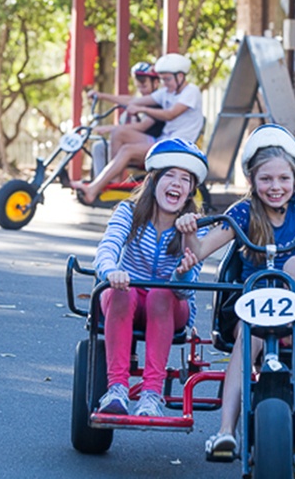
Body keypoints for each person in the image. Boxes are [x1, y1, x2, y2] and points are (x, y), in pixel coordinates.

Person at [175, 124, 295, 456]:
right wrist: (189, 230)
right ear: (251, 180)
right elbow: (199, 250)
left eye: (284, 178)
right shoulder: (243, 212)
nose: (276, 187)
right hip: (254, 307)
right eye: (266, 179)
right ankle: (225, 432)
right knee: (249, 337)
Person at [93, 138, 209, 417]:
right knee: (122, 291)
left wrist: (182, 272)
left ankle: (151, 394)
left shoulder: (196, 226)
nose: (177, 183)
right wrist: (111, 272)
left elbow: (186, 289)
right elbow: (107, 248)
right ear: (153, 180)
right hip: (125, 295)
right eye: (170, 175)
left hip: (170, 304)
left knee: (161, 292)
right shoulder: (129, 212)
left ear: (190, 191)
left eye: (185, 179)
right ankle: (117, 388)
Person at [71, 52, 204, 205]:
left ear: (180, 76)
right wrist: (102, 96)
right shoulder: (167, 93)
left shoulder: (191, 91)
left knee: (127, 150)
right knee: (119, 132)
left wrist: (142, 109)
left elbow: (170, 114)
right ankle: (114, 183)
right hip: (163, 141)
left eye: (167, 79)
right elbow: (134, 101)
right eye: (162, 79)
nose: (165, 83)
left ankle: (93, 189)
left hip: (178, 147)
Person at [89, 62, 165, 177]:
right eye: (138, 87)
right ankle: (99, 180)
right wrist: (101, 96)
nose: (141, 90)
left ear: (155, 83)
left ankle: (113, 178)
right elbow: (128, 100)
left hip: (150, 144)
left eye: (144, 86)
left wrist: (110, 128)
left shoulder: (157, 102)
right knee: (99, 147)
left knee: (118, 135)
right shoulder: (142, 100)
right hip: (135, 141)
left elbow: (142, 126)